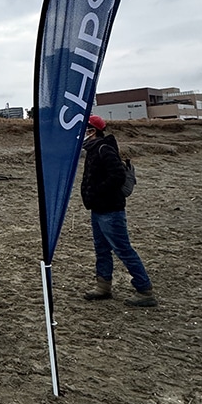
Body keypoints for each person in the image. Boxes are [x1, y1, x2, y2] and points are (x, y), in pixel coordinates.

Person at [81, 115, 157, 307]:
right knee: (101, 249)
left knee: (123, 249)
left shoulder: (104, 149)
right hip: (99, 209)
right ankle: (103, 286)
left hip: (110, 210)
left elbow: (117, 175)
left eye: (85, 128)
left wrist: (97, 192)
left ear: (93, 131)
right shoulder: (93, 149)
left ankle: (144, 290)